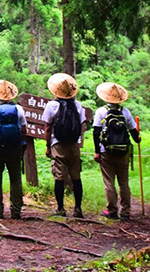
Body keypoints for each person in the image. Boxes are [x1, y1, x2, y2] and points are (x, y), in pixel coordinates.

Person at [92, 82, 142, 220]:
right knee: (123, 183)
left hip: (106, 151)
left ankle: (112, 211)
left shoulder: (101, 111)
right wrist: (138, 139)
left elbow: (96, 133)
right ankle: (126, 212)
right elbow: (133, 133)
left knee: (109, 182)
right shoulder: (125, 112)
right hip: (123, 152)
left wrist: (97, 151)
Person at [41, 72, 88, 218]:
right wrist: (77, 141)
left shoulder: (52, 105)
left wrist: (48, 146)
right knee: (76, 177)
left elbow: (48, 127)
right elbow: (82, 125)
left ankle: (61, 209)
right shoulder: (78, 105)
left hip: (58, 144)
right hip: (74, 145)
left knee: (59, 177)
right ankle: (78, 209)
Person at [0, 79, 27, 220]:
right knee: (16, 180)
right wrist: (18, 144)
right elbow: (24, 129)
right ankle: (16, 210)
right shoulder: (18, 109)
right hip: (14, 150)